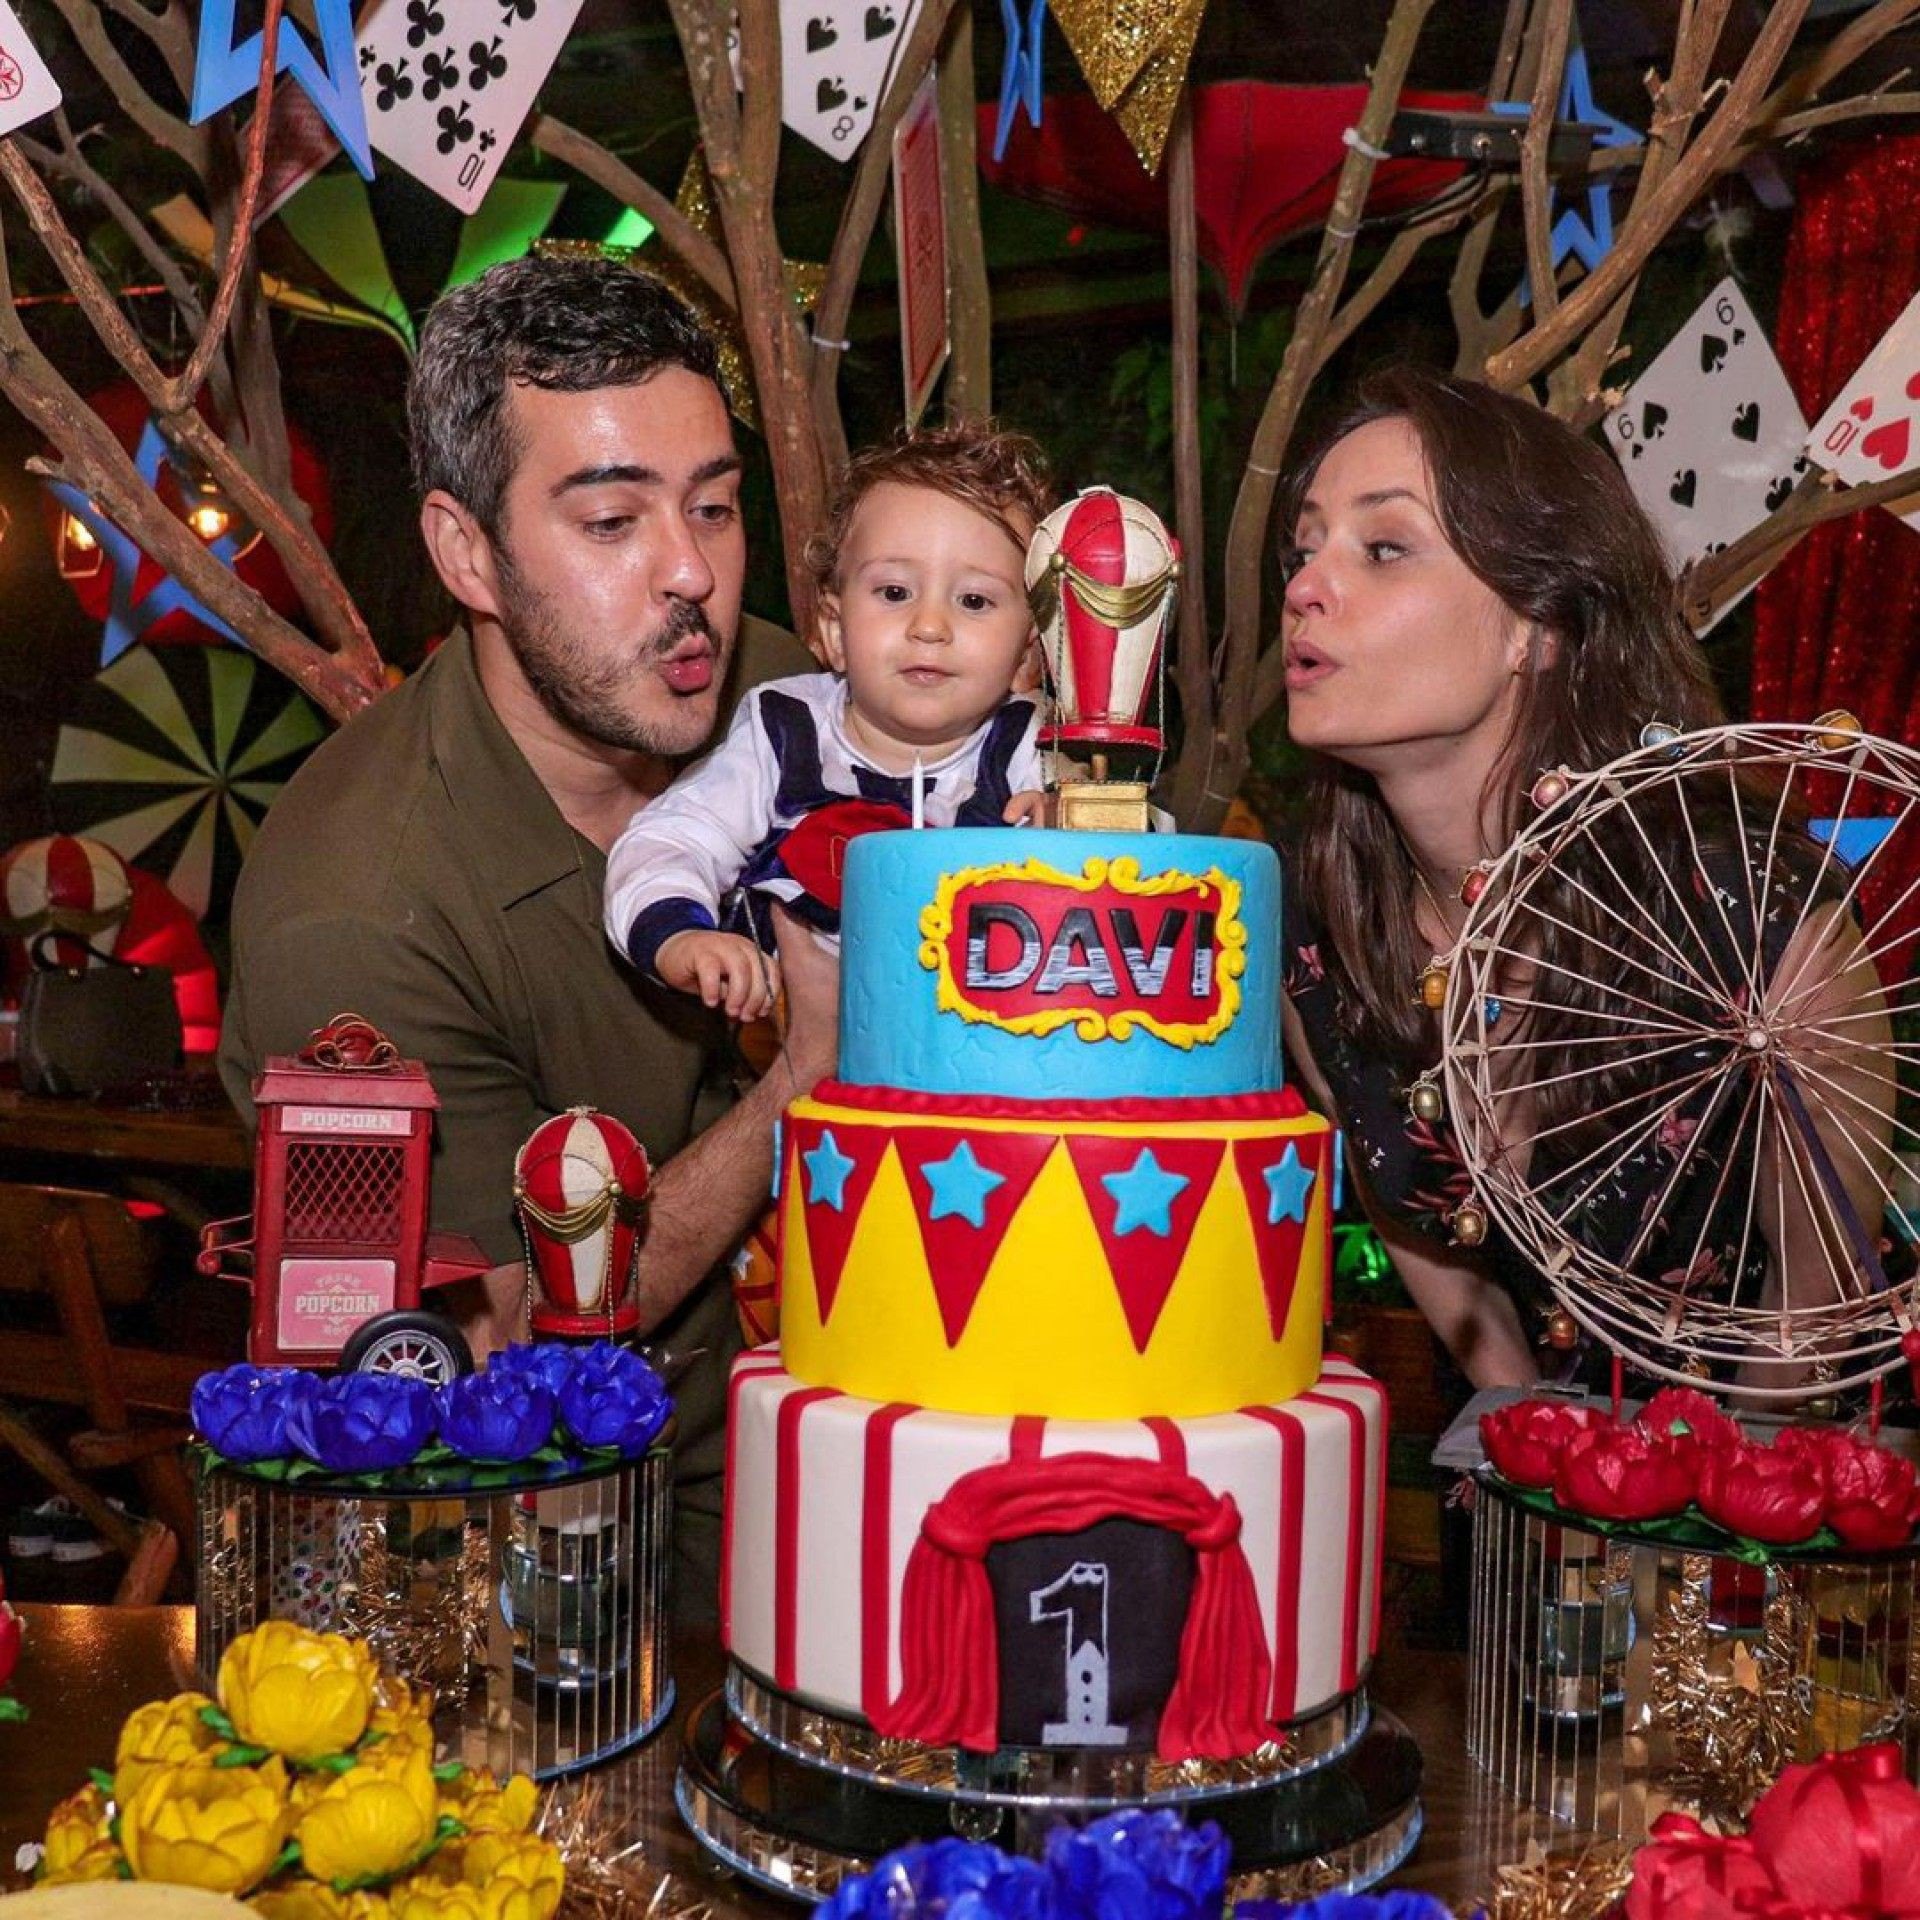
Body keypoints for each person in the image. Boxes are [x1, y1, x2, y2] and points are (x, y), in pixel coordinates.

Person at [218, 254, 831, 1616]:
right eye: (613, 521)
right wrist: (802, 1085)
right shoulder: (359, 906)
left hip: (865, 1449)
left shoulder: (789, 706)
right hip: (559, 1565)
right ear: (467, 552)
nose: (693, 576)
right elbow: (487, 1353)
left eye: (718, 509)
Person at [1276, 366, 1892, 1392]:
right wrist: (1531, 1458)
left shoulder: (1756, 912)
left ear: (1539, 626)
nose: (1304, 586)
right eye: (1304, 549)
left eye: (1383, 549)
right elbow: (1428, 1240)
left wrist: (1662, 1527)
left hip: (1771, 1500)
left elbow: (1817, 1318)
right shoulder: (1317, 933)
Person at [604, 423, 1055, 1023]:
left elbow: (1150, 873)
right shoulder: (785, 732)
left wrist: (1074, 839)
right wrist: (681, 935)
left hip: (979, 1059)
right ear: (835, 632)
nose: (929, 626)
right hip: (794, 1056)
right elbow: (673, 837)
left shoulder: (1033, 746)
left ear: (1026, 654)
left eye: (974, 601)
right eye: (894, 591)